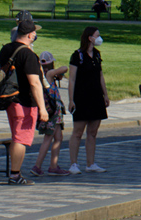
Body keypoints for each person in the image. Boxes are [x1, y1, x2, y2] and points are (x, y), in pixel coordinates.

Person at [0, 17, 48, 185]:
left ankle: (14, 172)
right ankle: (15, 175)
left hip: (10, 99)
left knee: (16, 136)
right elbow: (34, 82)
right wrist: (43, 108)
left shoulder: (6, 49)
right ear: (29, 35)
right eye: (34, 33)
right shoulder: (28, 54)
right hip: (25, 102)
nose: (35, 36)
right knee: (21, 139)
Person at [66, 26, 110, 175]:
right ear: (90, 38)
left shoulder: (97, 55)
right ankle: (73, 163)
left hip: (96, 96)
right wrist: (71, 99)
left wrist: (105, 94)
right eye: (97, 35)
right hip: (81, 97)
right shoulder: (77, 56)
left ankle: (90, 163)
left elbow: (100, 75)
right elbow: (71, 79)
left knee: (93, 132)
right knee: (78, 132)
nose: (99, 38)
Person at [31, 52, 68, 177]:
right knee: (48, 138)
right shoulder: (48, 74)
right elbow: (65, 68)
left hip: (51, 110)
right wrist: (58, 72)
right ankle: (37, 166)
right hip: (52, 111)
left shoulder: (39, 74)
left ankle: (54, 166)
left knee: (58, 138)